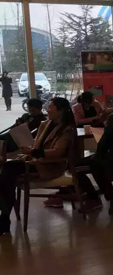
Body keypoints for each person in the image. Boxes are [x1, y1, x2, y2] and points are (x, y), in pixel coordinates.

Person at [0, 98, 75, 235]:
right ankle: (4, 216)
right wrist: (27, 149)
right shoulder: (45, 124)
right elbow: (36, 144)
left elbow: (57, 152)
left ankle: (5, 216)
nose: (47, 109)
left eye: (50, 107)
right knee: (6, 172)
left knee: (7, 172)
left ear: (61, 110)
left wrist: (33, 152)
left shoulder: (66, 129)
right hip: (35, 161)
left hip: (48, 165)